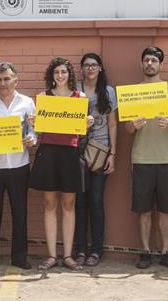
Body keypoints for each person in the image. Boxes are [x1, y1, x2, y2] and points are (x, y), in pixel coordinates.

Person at [29, 57, 93, 271]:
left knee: (69, 205)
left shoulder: (80, 97)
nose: (60, 75)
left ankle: (67, 256)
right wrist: (34, 123)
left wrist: (87, 124)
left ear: (69, 74)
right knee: (49, 204)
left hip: (70, 153)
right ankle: (51, 255)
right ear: (52, 75)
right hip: (48, 152)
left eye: (64, 72)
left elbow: (81, 131)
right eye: (56, 72)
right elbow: (39, 130)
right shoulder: (43, 97)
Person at [125, 46, 168, 270]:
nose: (150, 63)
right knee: (143, 209)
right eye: (146, 60)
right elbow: (127, 129)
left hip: (167, 159)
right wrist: (132, 125)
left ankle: (166, 252)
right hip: (141, 158)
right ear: (142, 64)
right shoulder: (133, 92)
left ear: (161, 64)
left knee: (165, 209)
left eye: (154, 60)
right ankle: (145, 252)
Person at [0, 61, 37, 270]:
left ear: (16, 80)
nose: (3, 83)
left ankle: (20, 257)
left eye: (7, 79)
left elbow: (34, 129)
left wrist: (32, 139)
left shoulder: (28, 103)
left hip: (20, 165)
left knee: (19, 213)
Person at [73, 52, 118, 267]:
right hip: (79, 152)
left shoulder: (108, 91)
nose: (90, 68)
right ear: (81, 69)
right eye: (86, 65)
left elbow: (112, 125)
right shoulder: (75, 92)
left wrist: (113, 154)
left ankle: (96, 250)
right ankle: (80, 249)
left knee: (97, 201)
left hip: (101, 152)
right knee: (80, 202)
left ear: (100, 68)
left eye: (94, 65)